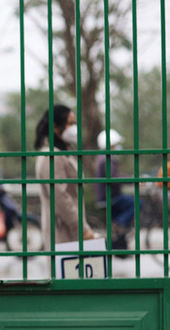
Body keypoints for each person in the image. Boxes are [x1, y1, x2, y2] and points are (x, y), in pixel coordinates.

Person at [34, 104, 95, 251]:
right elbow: (60, 196)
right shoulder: (51, 156)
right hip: (62, 229)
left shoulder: (64, 153)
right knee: (64, 272)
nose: (74, 128)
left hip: (69, 229)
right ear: (56, 127)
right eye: (70, 123)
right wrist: (82, 229)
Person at [95, 129, 137, 249]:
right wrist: (132, 180)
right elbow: (114, 178)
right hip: (110, 197)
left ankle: (119, 246)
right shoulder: (107, 158)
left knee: (117, 230)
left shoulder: (102, 157)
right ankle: (119, 223)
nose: (118, 146)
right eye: (116, 144)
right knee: (137, 203)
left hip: (106, 197)